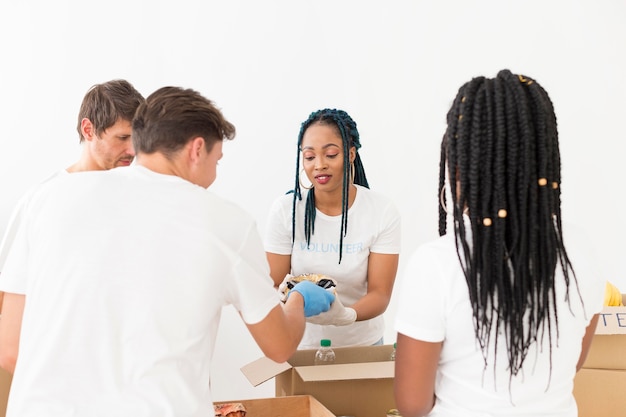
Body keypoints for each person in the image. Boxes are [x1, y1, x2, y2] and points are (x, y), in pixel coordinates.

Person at [0, 86, 334, 417]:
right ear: (197, 149)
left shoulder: (45, 199)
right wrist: (299, 299)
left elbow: (10, 350)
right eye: (217, 161)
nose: (214, 175)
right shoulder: (224, 221)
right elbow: (279, 347)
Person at [393, 69, 605, 417]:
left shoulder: (437, 264)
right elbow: (573, 364)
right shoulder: (579, 253)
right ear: (543, 158)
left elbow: (412, 405)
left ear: (463, 166)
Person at [0, 79, 144, 306]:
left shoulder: (142, 198)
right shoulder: (43, 199)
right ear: (89, 130)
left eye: (137, 139)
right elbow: (11, 291)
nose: (133, 150)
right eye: (123, 138)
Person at [265, 108, 401, 349]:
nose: (319, 165)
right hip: (301, 346)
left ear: (350, 154)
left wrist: (345, 315)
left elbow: (380, 293)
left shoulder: (381, 211)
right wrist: (295, 300)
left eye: (330, 154)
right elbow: (274, 283)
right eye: (309, 157)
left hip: (363, 346)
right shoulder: (286, 211)